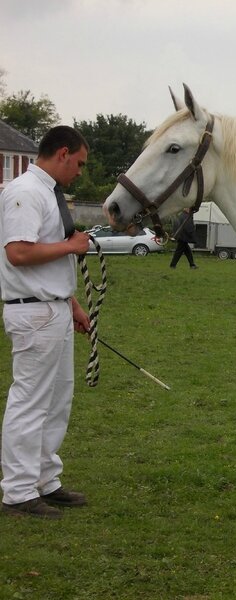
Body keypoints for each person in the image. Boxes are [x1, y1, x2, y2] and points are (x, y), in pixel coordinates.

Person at [0, 126, 92, 519]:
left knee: (57, 399)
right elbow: (18, 252)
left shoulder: (48, 193)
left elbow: (41, 257)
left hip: (51, 306)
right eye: (81, 164)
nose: (80, 172)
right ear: (64, 153)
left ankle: (43, 479)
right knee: (31, 401)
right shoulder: (25, 192)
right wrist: (71, 246)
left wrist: (70, 301)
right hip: (33, 312)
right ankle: (18, 490)